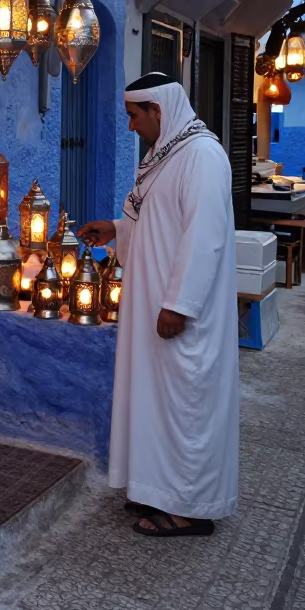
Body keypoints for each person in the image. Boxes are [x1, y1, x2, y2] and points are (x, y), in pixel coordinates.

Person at [80, 72, 239, 538]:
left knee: (183, 405)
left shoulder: (203, 156)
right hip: (151, 303)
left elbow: (203, 237)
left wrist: (179, 304)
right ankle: (158, 490)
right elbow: (155, 217)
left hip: (180, 311)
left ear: (158, 111)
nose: (130, 126)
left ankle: (189, 508)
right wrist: (115, 228)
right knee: (155, 402)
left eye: (134, 116)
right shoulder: (165, 155)